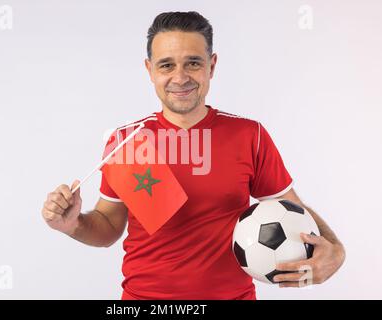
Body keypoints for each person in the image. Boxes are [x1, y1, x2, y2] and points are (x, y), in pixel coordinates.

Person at [41, 11, 345, 300]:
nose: (180, 77)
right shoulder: (126, 142)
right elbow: (108, 227)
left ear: (212, 66)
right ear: (149, 70)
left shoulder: (249, 135)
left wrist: (335, 249)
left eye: (193, 63)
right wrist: (73, 224)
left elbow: (290, 208)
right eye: (166, 65)